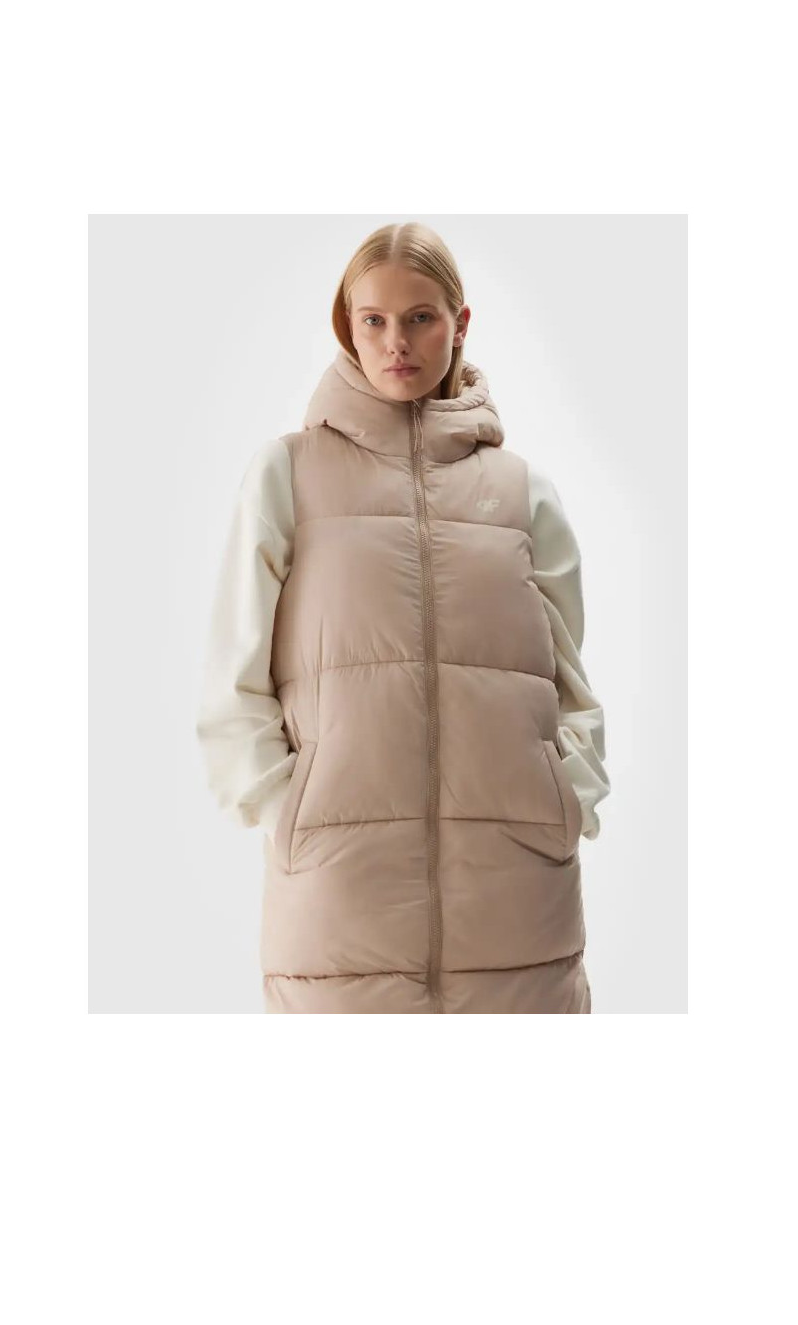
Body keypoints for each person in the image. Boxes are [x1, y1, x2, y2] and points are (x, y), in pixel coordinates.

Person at [196, 222, 609, 1013]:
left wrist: (567, 800)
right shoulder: (288, 475)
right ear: (346, 327)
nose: (397, 342)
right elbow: (233, 679)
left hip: (519, 896)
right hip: (339, 900)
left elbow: (571, 687)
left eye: (420, 317)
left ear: (459, 322)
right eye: (374, 320)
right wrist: (288, 813)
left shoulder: (521, 492)